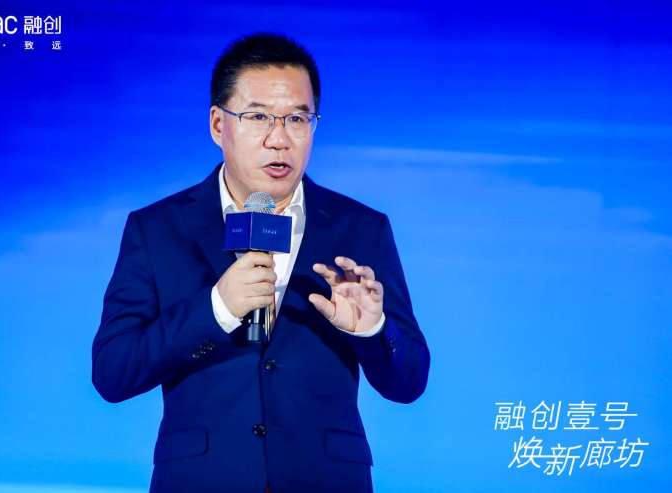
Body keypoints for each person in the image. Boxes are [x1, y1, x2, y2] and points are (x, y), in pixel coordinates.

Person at [91, 32, 430, 493]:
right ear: (218, 125)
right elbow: (112, 373)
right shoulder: (156, 230)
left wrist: (372, 330)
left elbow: (409, 382)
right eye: (257, 117)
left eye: (297, 118)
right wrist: (217, 309)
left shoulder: (361, 229)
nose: (279, 139)